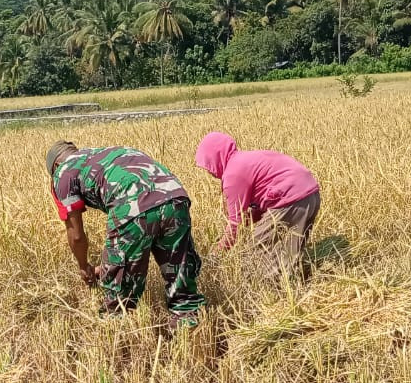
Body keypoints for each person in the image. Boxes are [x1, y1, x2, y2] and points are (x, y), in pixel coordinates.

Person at [46, 141, 205, 328]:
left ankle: (119, 341)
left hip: (133, 206)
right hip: (175, 197)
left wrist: (84, 266)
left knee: (119, 301)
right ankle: (189, 332)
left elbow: (76, 235)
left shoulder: (63, 172)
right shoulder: (108, 151)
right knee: (182, 288)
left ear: (55, 166)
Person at [194, 132, 321, 281]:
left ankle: (272, 293)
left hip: (291, 199)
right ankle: (296, 284)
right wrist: (248, 220)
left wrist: (215, 255)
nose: (209, 171)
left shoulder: (233, 175)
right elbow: (262, 202)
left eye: (208, 165)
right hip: (311, 195)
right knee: (289, 252)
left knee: (257, 251)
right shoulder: (244, 159)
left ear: (214, 158)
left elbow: (235, 226)